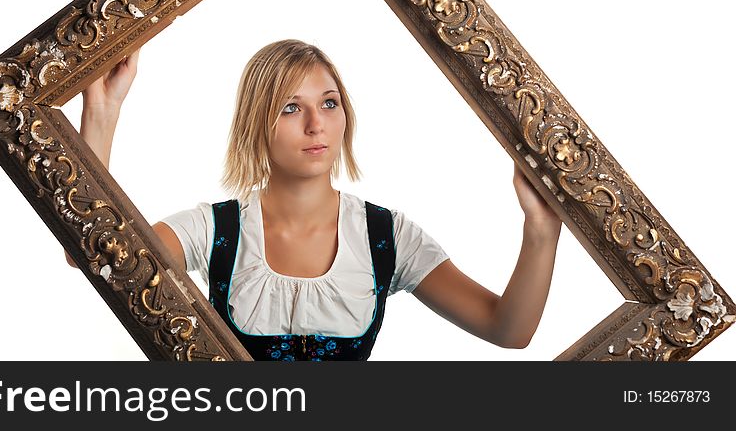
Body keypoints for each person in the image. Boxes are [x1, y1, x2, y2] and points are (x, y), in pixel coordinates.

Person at [68, 39, 562, 360]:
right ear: (257, 123)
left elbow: (507, 330)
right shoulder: (214, 230)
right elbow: (92, 252)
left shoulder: (386, 237)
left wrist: (541, 230)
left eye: (328, 103)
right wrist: (103, 108)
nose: (315, 125)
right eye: (290, 108)